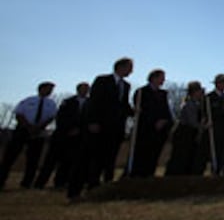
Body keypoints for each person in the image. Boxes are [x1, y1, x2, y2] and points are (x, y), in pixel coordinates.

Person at [68, 58, 134, 199]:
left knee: (108, 159)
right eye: (129, 67)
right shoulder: (102, 80)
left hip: (115, 129)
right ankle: (75, 190)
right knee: (89, 158)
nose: (131, 71)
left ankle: (100, 189)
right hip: (98, 127)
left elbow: (122, 105)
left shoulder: (126, 85)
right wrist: (92, 121)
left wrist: (135, 112)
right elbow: (94, 101)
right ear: (120, 67)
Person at [0, 82, 57, 190]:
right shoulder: (28, 101)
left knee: (33, 160)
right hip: (22, 131)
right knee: (10, 157)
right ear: (41, 89)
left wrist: (39, 127)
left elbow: (51, 117)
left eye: (51, 90)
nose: (50, 92)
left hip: (39, 132)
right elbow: (19, 114)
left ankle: (27, 183)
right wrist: (28, 126)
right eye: (48, 89)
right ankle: (1, 180)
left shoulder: (51, 104)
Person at [34, 82, 89, 189]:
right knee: (50, 160)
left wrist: (80, 130)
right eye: (84, 89)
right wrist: (68, 129)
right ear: (78, 90)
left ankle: (60, 182)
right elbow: (60, 118)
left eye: (87, 89)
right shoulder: (68, 102)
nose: (86, 91)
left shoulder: (90, 103)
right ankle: (40, 183)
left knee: (68, 161)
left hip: (78, 137)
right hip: (62, 136)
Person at [130, 69, 173, 177]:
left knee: (154, 157)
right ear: (154, 78)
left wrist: (165, 121)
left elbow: (166, 111)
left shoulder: (163, 94)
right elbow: (142, 111)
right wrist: (153, 122)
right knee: (141, 157)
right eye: (161, 78)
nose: (163, 80)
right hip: (145, 131)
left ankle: (149, 176)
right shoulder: (141, 92)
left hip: (159, 132)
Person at [165, 81, 206, 176]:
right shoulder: (188, 104)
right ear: (195, 92)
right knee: (180, 157)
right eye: (199, 91)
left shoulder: (198, 105)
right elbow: (192, 122)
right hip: (184, 134)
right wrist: (204, 126)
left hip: (191, 135)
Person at [206, 74, 224, 175]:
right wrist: (222, 110)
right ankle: (213, 171)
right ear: (217, 84)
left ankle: (220, 171)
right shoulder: (210, 97)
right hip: (214, 130)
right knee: (214, 153)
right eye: (222, 82)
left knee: (223, 153)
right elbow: (209, 114)